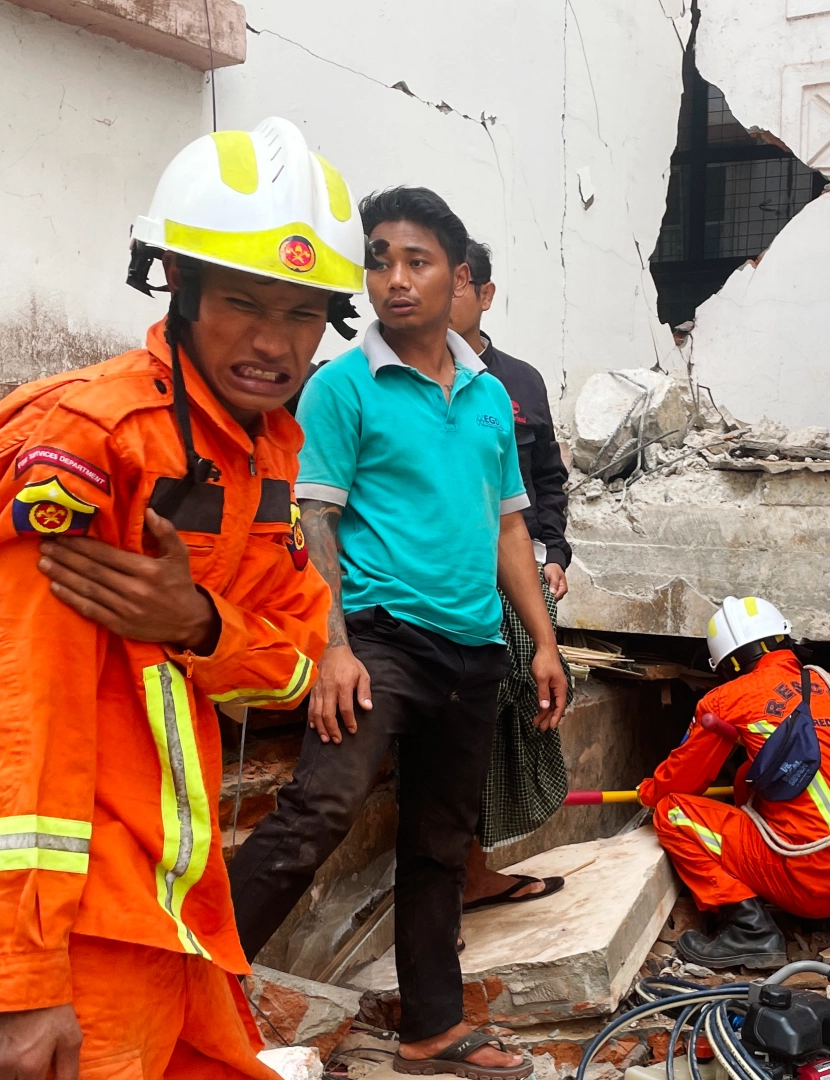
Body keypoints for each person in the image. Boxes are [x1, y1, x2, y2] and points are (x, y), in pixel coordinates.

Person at [0, 117, 359, 1080]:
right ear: (177, 284)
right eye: (243, 303)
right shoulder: (93, 442)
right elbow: (14, 705)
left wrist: (200, 626)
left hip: (180, 913)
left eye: (303, 314)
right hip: (87, 923)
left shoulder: (262, 447)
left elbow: (297, 661)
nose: (273, 342)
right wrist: (18, 981)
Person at [228, 187, 568, 1080]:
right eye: (378, 261)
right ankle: (183, 988)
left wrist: (542, 643)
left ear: (459, 277)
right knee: (318, 812)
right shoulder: (343, 385)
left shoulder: (490, 395)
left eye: (417, 262)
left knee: (439, 843)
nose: (395, 280)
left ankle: (431, 1030)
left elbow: (509, 526)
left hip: (473, 649)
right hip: (380, 642)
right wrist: (332, 646)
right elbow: (314, 518)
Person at [639, 596, 830, 970]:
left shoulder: (730, 698)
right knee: (749, 781)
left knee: (672, 812)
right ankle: (807, 890)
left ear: (727, 663)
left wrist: (647, 792)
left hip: (813, 884)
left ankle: (750, 931)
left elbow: (680, 785)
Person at [446, 239, 573, 909]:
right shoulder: (381, 382)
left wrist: (554, 554)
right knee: (453, 723)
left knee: (521, 709)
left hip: (515, 573)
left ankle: (473, 872)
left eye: (455, 283)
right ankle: (452, 885)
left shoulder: (515, 384)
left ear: (484, 294)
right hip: (436, 587)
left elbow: (544, 481)